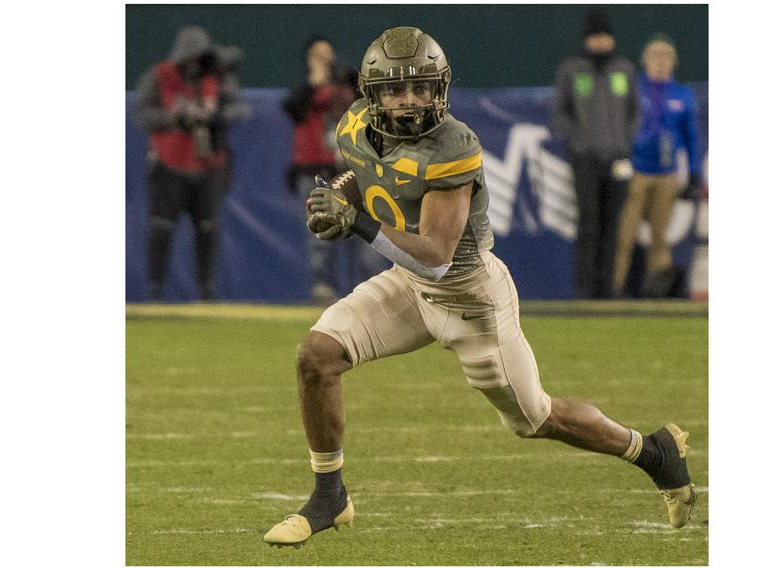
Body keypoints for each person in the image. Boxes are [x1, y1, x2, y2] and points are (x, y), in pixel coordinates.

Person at [263, 27, 695, 548]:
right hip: (408, 284)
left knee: (536, 419)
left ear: (439, 89)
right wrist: (333, 194)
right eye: (397, 90)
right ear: (370, 93)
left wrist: (353, 220)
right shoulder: (354, 123)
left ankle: (653, 452)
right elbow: (363, 171)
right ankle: (330, 495)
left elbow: (437, 257)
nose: (410, 100)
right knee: (317, 355)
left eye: (421, 88)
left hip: (469, 297)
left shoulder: (453, 144)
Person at [134, 26, 249, 301]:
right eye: (191, 58)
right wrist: (174, 118)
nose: (195, 65)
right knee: (162, 228)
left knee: (208, 229)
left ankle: (206, 292)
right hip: (167, 166)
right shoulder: (159, 76)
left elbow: (240, 110)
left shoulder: (216, 79)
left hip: (208, 167)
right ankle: (155, 291)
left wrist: (216, 116)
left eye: (200, 58)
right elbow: (142, 113)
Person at [283, 36, 386, 305]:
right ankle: (323, 289)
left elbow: (370, 103)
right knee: (320, 232)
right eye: (318, 55)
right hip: (315, 170)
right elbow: (291, 108)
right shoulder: (303, 93)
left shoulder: (348, 84)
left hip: (351, 169)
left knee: (361, 230)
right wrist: (314, 81)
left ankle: (367, 293)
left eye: (327, 55)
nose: (325, 61)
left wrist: (344, 80)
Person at [554, 10, 640, 299]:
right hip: (586, 160)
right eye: (595, 37)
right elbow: (560, 113)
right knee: (589, 223)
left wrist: (624, 143)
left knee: (613, 225)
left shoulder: (624, 70)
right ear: (587, 40)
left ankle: (609, 291)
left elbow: (634, 111)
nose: (601, 43)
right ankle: (586, 292)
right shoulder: (573, 70)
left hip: (617, 159)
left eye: (604, 36)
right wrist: (578, 144)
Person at [613, 35, 703, 298]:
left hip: (667, 175)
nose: (660, 64)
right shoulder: (635, 90)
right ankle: (614, 291)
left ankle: (658, 293)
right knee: (624, 236)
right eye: (655, 58)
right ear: (646, 62)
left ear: (673, 63)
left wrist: (695, 172)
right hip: (638, 172)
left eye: (665, 59)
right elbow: (621, 126)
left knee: (660, 238)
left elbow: (691, 137)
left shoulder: (682, 96)